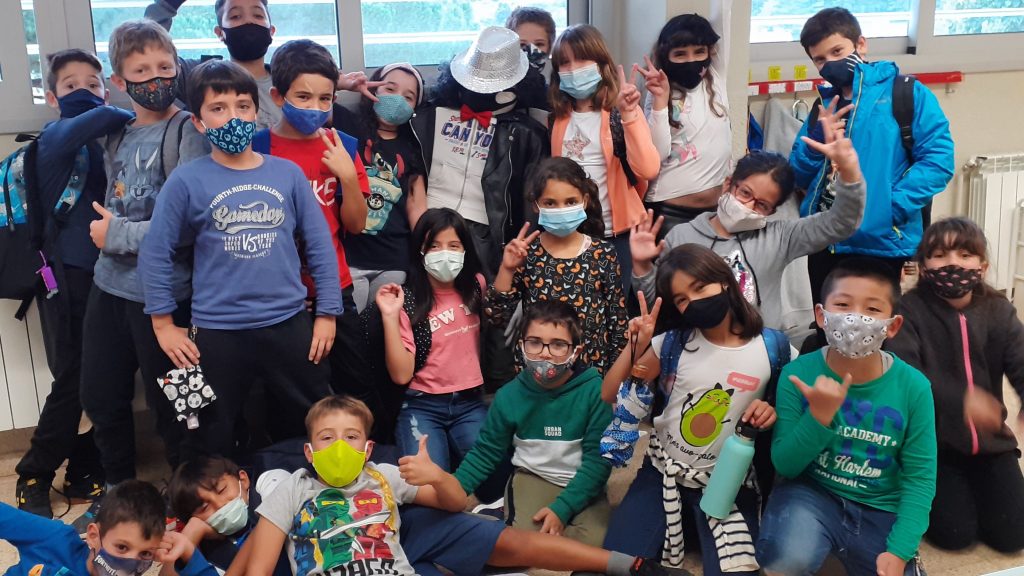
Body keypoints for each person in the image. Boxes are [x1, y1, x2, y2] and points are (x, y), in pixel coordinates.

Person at [140, 59, 341, 459]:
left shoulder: (286, 174)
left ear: (256, 111)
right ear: (199, 122)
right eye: (218, 108)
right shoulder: (186, 180)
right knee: (206, 432)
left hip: (288, 323)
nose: (233, 116)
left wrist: (327, 314)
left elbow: (319, 245)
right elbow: (156, 251)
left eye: (243, 106)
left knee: (316, 419)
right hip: (217, 333)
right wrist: (163, 325)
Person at [168, 442, 676, 576]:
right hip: (367, 566)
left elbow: (450, 496)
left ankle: (628, 565)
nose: (217, 508)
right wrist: (191, 538)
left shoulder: (275, 482)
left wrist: (433, 477)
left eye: (220, 492)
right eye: (203, 509)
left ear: (241, 478)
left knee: (503, 542)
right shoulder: (211, 554)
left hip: (393, 524)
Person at [78, 19, 208, 526]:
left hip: (167, 294)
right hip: (108, 286)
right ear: (118, 80)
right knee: (100, 393)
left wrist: (117, 236)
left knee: (177, 401)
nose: (156, 77)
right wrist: (111, 240)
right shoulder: (119, 132)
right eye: (141, 70)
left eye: (164, 66)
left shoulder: (188, 132)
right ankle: (118, 490)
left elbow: (188, 224)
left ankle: (186, 494)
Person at [600, 244, 789, 575]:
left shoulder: (773, 347)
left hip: (728, 480)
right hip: (662, 472)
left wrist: (772, 412)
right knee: (616, 563)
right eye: (682, 299)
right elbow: (609, 392)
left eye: (700, 287)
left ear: (725, 281)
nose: (694, 301)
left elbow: (791, 406)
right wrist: (637, 344)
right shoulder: (673, 342)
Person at [756, 258, 936, 576]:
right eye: (842, 304)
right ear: (821, 316)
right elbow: (785, 465)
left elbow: (920, 477)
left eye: (872, 309)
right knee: (785, 560)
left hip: (880, 505)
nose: (856, 318)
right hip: (811, 493)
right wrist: (819, 417)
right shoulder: (798, 373)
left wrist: (900, 549)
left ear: (893, 325)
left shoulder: (915, 387)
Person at [14, 48, 133, 518]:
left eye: (92, 83)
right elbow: (103, 115)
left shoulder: (107, 147)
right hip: (69, 278)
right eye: (70, 85)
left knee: (109, 378)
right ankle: (34, 474)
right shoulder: (55, 140)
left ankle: (85, 467)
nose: (83, 90)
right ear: (52, 97)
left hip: (113, 273)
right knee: (75, 378)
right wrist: (140, 106)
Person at [631, 105, 865, 334]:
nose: (748, 206)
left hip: (761, 348)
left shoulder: (780, 237)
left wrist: (849, 172)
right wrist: (642, 265)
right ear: (728, 184)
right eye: (744, 193)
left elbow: (841, 223)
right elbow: (657, 306)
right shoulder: (681, 237)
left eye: (762, 205)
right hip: (697, 349)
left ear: (771, 212)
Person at [791, 7, 954, 301]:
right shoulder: (823, 106)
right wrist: (815, 139)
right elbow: (798, 175)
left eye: (837, 51)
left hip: (880, 241)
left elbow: (938, 161)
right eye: (820, 59)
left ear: (861, 44)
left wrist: (888, 209)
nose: (830, 63)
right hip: (825, 239)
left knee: (877, 322)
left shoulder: (907, 93)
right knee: (828, 320)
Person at [887, 217, 1024, 553]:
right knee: (955, 535)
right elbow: (906, 373)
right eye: (939, 255)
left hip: (992, 443)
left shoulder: (998, 309)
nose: (953, 263)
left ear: (982, 266)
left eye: (965, 254)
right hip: (935, 447)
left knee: (1013, 537)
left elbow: (1020, 360)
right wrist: (961, 400)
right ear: (923, 267)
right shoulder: (908, 311)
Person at [456, 299, 614, 546]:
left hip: (583, 479)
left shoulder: (596, 391)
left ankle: (506, 515)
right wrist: (453, 487)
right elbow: (485, 453)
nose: (545, 353)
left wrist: (562, 509)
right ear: (521, 345)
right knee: (527, 545)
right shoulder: (508, 395)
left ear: (576, 351)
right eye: (535, 342)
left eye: (558, 344)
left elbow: (598, 462)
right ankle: (501, 512)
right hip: (533, 476)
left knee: (593, 547)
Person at [374, 208, 490, 474]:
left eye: (453, 245)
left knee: (492, 474)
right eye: (434, 246)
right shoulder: (407, 300)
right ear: (420, 250)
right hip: (421, 405)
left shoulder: (476, 286)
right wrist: (390, 316)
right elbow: (401, 374)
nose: (444, 253)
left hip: (470, 402)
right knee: (424, 482)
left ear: (465, 250)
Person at [487, 156, 628, 375]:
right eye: (550, 203)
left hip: (589, 376)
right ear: (536, 205)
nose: (561, 209)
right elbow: (497, 316)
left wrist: (614, 380)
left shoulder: (602, 253)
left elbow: (618, 324)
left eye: (570, 202)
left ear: (585, 200)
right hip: (537, 375)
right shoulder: (526, 253)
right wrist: (507, 269)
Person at [145, 0, 379, 130]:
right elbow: (144, 51)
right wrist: (167, 4)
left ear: (271, 30)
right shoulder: (201, 75)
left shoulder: (289, 80)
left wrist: (333, 82)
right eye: (235, 16)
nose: (248, 21)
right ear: (219, 32)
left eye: (257, 16)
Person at [549, 24, 660, 289]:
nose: (573, 69)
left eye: (582, 59)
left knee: (619, 307)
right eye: (565, 62)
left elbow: (648, 169)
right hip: (571, 234)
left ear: (601, 63)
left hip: (618, 235)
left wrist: (630, 115)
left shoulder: (619, 112)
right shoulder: (557, 118)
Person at [334, 62, 428, 312]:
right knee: (351, 326)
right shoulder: (349, 127)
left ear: (416, 107)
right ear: (372, 89)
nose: (397, 100)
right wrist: (343, 83)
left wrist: (427, 251)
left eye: (408, 97)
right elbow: (315, 93)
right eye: (389, 89)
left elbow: (417, 205)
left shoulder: (414, 147)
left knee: (382, 326)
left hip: (394, 259)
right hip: (350, 256)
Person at [1, 479, 217, 575]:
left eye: (145, 554)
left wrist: (188, 551)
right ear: (93, 535)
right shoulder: (57, 539)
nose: (130, 562)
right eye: (122, 547)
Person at [636, 14, 731, 231]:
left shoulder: (716, 78)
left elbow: (725, 14)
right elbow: (656, 155)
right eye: (680, 54)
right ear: (666, 56)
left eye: (699, 52)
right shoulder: (658, 94)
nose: (691, 60)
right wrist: (660, 100)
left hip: (717, 211)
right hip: (671, 214)